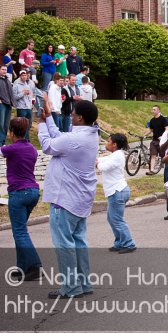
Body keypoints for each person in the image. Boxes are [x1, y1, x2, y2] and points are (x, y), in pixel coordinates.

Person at [38, 97, 99, 299]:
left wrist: (40, 123)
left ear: (80, 118)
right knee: (78, 242)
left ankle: (71, 288)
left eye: (73, 114)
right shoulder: (89, 134)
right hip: (80, 199)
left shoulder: (73, 140)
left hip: (65, 199)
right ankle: (83, 283)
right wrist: (48, 118)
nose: (70, 115)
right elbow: (59, 137)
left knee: (64, 245)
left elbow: (48, 145)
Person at [0, 117, 42, 281]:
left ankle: (34, 266)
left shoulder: (11, 149)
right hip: (33, 192)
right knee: (21, 230)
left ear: (11, 132)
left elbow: (3, 151)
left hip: (19, 193)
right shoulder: (31, 148)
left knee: (19, 232)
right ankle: (23, 267)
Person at [96, 133, 136, 254]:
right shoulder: (115, 155)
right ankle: (119, 243)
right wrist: (97, 160)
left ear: (115, 144)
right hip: (116, 191)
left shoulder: (117, 156)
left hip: (117, 191)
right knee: (112, 218)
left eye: (108, 141)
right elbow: (103, 160)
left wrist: (97, 163)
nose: (106, 143)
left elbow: (103, 167)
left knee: (117, 219)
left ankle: (129, 243)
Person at [144, 105, 168, 175]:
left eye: (154, 109)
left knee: (163, 156)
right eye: (152, 109)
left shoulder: (163, 119)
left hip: (162, 141)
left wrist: (163, 136)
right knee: (153, 155)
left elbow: (167, 128)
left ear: (158, 111)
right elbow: (151, 130)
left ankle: (167, 169)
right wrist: (144, 135)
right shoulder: (152, 120)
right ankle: (151, 170)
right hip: (154, 140)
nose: (153, 111)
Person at [12, 70, 33, 141]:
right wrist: (23, 93)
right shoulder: (16, 85)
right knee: (21, 125)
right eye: (22, 75)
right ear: (20, 76)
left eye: (25, 75)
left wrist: (30, 105)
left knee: (27, 125)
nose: (24, 76)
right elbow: (14, 97)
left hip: (28, 108)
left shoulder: (28, 85)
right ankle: (20, 139)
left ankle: (27, 139)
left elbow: (30, 96)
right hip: (21, 108)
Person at [0, 65, 15, 146]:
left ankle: (3, 143)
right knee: (0, 124)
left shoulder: (7, 80)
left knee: (6, 125)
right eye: (2, 69)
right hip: (1, 104)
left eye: (5, 70)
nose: (4, 71)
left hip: (8, 104)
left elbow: (11, 93)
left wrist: (12, 103)